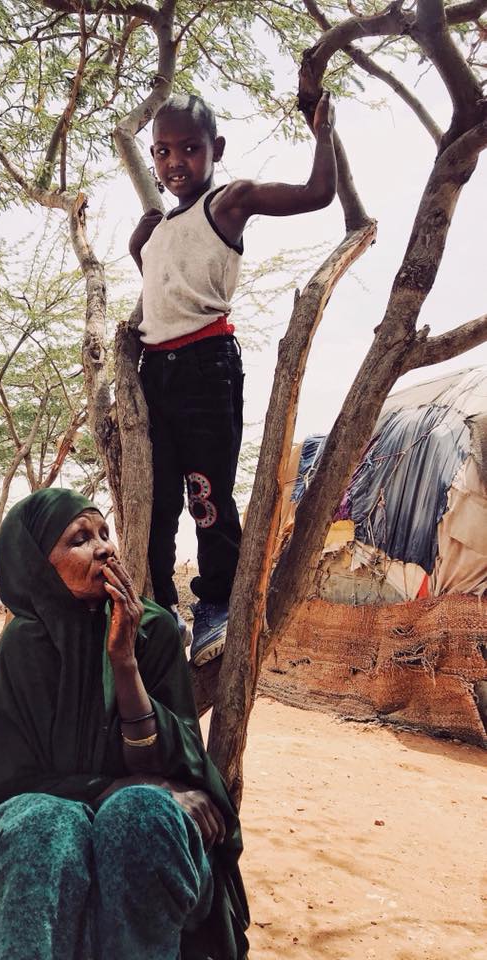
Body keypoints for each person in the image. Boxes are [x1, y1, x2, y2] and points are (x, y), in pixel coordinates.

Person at [0, 488, 249, 960]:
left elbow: (181, 763)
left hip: (150, 828)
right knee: (41, 827)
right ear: (38, 564)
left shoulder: (151, 630)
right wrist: (115, 787)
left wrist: (124, 661)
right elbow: (3, 789)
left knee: (141, 817)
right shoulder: (22, 645)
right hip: (40, 822)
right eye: (79, 539)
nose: (105, 547)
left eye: (104, 533)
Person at [129, 91, 337, 666]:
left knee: (208, 496)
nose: (176, 163)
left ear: (215, 149)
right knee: (155, 499)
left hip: (205, 365)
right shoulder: (157, 228)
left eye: (190, 149)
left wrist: (325, 135)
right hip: (154, 373)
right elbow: (161, 280)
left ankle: (216, 607)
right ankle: (160, 610)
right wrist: (135, 243)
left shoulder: (227, 203)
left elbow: (319, 195)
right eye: (164, 152)